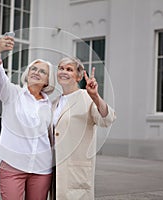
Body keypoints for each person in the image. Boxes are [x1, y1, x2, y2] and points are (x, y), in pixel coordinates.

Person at [0, 35, 56, 200]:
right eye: (33, 69)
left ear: (47, 81)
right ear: (27, 73)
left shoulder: (50, 105)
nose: (36, 72)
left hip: (42, 168)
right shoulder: (12, 93)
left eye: (42, 71)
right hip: (12, 165)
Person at [51, 57, 116, 199]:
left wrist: (96, 97)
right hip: (54, 168)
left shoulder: (87, 98)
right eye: (61, 68)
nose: (63, 72)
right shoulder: (54, 102)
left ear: (79, 76)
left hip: (75, 170)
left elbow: (107, 119)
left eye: (69, 69)